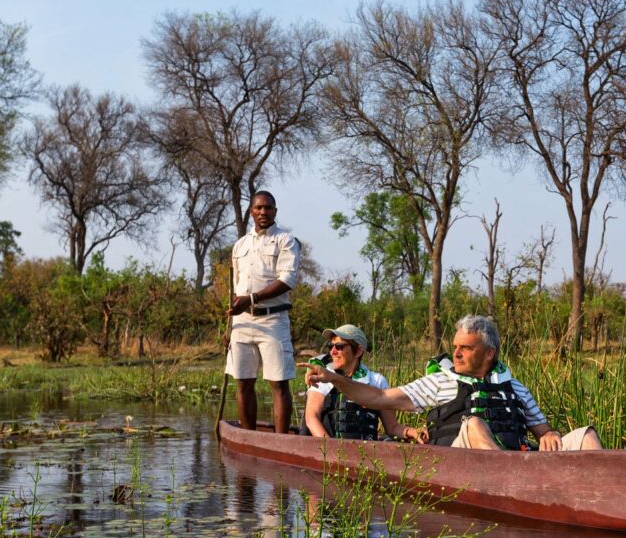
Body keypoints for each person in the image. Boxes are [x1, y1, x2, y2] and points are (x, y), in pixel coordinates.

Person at [304, 315, 602, 451]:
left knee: (585, 435)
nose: (456, 353)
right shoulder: (440, 383)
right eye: (455, 346)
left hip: (520, 464)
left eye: (466, 348)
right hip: (466, 466)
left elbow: (542, 430)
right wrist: (333, 379)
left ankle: (597, 496)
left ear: (489, 353)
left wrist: (550, 433)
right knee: (473, 424)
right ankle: (507, 483)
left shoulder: (515, 386)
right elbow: (379, 397)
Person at [225, 190, 300, 434]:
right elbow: (237, 287)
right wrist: (232, 320)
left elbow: (287, 280)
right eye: (258, 208)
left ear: (275, 212)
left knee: (278, 383)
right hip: (242, 323)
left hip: (273, 319)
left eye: (268, 208)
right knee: (243, 382)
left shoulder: (285, 240)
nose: (263, 212)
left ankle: (281, 442)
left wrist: (253, 299)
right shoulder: (240, 245)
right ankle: (249, 439)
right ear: (251, 212)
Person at [303, 324, 426, 443]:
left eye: (339, 346)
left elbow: (392, 427)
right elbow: (311, 418)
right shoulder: (322, 376)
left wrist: (412, 432)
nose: (332, 352)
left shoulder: (377, 381)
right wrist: (330, 451)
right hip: (329, 451)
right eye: (331, 346)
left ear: (358, 351)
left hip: (366, 454)